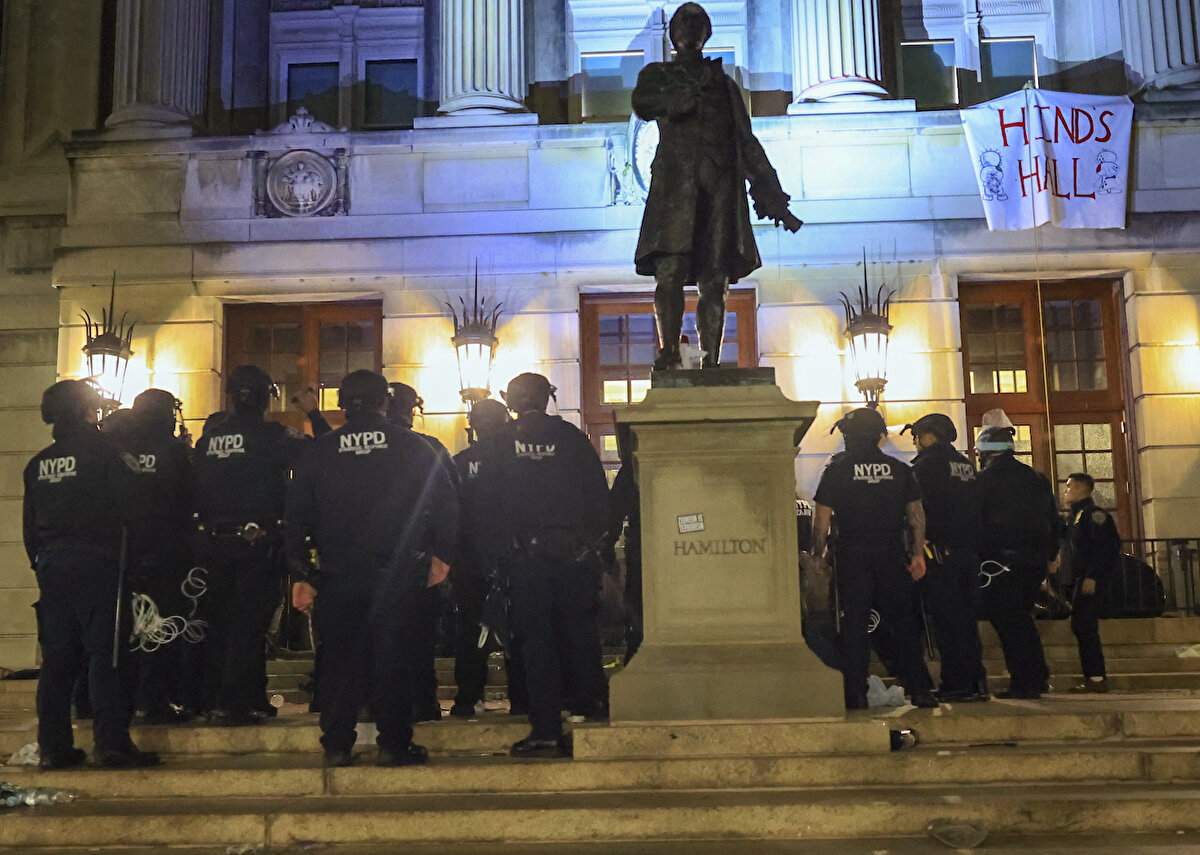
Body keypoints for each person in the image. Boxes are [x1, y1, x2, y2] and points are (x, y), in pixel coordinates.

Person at [286, 370, 458, 767]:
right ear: (385, 402)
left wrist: (301, 572)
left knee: (339, 661)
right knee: (393, 658)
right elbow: (446, 504)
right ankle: (394, 743)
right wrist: (442, 556)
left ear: (343, 405)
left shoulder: (319, 451)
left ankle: (336, 744)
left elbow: (295, 516)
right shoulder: (414, 446)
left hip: (338, 573)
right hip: (397, 571)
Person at [631, 2, 801, 370]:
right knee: (670, 271)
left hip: (719, 189)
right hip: (675, 188)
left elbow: (746, 140)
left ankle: (711, 360)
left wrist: (772, 193)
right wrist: (680, 97)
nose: (689, 33)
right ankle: (669, 352)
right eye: (682, 26)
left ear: (705, 36)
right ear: (673, 35)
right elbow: (643, 104)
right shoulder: (658, 74)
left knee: (715, 276)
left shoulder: (724, 85)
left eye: (696, 27)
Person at [23, 380, 159, 768]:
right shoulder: (108, 455)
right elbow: (137, 513)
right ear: (89, 411)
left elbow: (29, 529)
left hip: (52, 567)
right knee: (108, 655)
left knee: (58, 661)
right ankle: (112, 743)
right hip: (101, 565)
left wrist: (44, 563)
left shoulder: (38, 465)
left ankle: (53, 747)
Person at [475, 373, 611, 757]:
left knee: (536, 646)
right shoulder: (573, 439)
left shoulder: (500, 444)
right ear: (548, 398)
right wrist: (588, 546)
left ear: (510, 400)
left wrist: (499, 558)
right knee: (580, 637)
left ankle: (547, 728)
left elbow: (484, 507)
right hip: (571, 557)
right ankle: (591, 714)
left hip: (525, 560)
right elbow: (599, 500)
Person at [192, 365, 316, 724]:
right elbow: (320, 452)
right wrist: (313, 414)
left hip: (214, 545)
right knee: (250, 625)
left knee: (221, 624)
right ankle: (238, 702)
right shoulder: (272, 435)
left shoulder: (207, 442)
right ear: (264, 397)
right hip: (256, 543)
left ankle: (225, 697)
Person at [810, 407, 937, 710]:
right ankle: (920, 690)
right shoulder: (899, 469)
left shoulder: (837, 469)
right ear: (879, 437)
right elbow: (917, 517)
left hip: (851, 556)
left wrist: (819, 556)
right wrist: (918, 555)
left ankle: (855, 693)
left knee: (854, 626)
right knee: (903, 623)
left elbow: (822, 520)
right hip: (891, 555)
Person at [903, 413, 989, 702]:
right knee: (967, 622)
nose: (915, 442)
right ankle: (976, 682)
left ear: (930, 436)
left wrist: (916, 547)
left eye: (917, 435)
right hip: (969, 554)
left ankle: (956, 684)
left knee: (948, 623)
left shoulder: (926, 467)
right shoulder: (966, 465)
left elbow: (917, 511)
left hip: (939, 555)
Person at [387, 381, 459, 722]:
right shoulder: (428, 448)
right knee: (418, 642)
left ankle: (378, 705)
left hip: (364, 564)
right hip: (417, 561)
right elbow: (452, 502)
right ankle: (422, 705)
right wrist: (443, 555)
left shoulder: (351, 449)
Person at [976, 425, 1062, 699]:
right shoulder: (1035, 479)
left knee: (1010, 622)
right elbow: (1054, 520)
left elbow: (976, 521)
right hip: (1034, 561)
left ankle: (1025, 680)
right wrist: (1050, 555)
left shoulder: (985, 481)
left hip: (1000, 561)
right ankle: (1035, 677)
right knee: (1021, 619)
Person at [127, 389, 197, 722]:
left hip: (126, 553)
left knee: (131, 629)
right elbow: (191, 498)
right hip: (169, 552)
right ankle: (158, 698)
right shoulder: (175, 452)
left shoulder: (118, 451)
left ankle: (133, 697)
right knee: (165, 628)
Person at [449, 398, 513, 718]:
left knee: (470, 633)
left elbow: (447, 515)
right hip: (514, 560)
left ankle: (467, 698)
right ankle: (524, 697)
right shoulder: (519, 458)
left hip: (469, 563)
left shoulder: (459, 463)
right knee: (519, 630)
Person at [1057, 472, 1119, 693]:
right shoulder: (1075, 516)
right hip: (1079, 578)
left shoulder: (1093, 515)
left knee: (1085, 626)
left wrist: (1093, 576)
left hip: (1090, 579)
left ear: (1082, 490)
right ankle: (1093, 677)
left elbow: (1105, 548)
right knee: (1081, 626)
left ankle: (1096, 678)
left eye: (1069, 487)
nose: (1066, 491)